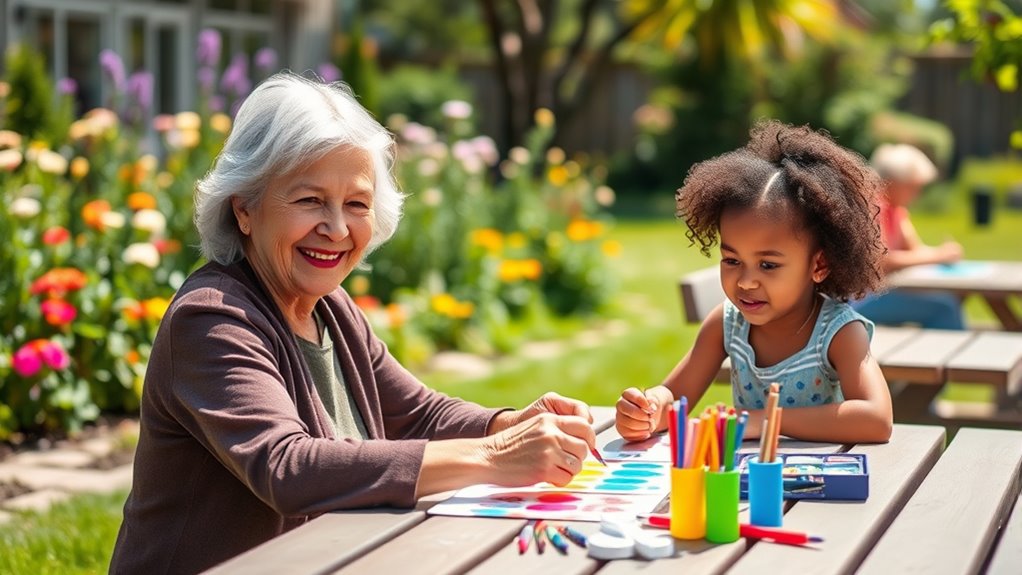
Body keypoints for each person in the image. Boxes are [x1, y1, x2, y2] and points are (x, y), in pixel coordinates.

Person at [110, 72, 599, 574]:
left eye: (357, 204)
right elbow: (288, 468)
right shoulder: (212, 318)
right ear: (244, 209)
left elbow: (420, 415)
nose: (338, 228)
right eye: (309, 200)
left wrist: (511, 424)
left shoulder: (330, 308)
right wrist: (495, 455)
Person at [615, 120, 893, 445]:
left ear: (819, 264)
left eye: (767, 265)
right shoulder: (726, 323)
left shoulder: (839, 332)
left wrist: (765, 421)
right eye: (732, 261)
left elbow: (877, 420)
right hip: (745, 488)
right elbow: (673, 400)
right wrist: (648, 408)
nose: (746, 282)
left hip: (815, 489)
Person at [852, 143, 965, 330]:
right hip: (858, 299)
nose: (917, 195)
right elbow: (882, 261)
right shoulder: (872, 207)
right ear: (892, 182)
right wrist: (939, 256)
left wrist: (943, 253)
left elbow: (915, 250)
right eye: (913, 187)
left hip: (881, 292)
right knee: (944, 308)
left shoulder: (897, 210)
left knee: (945, 302)